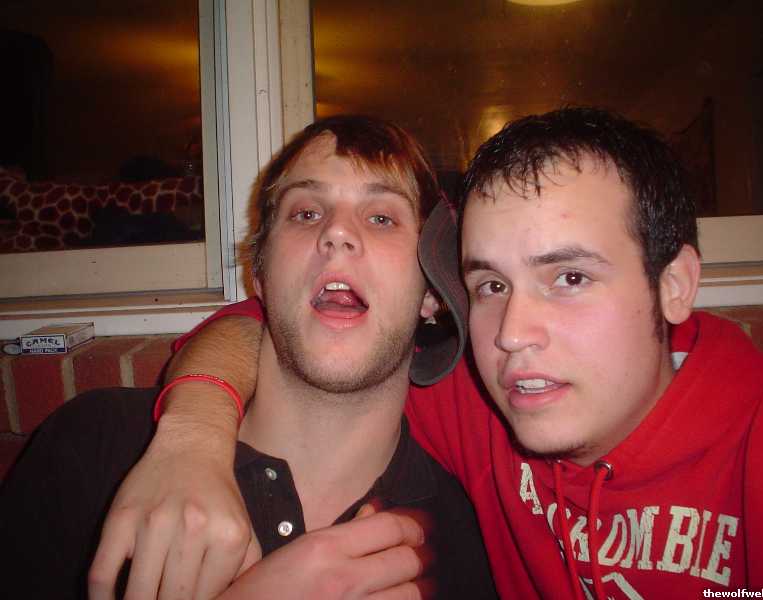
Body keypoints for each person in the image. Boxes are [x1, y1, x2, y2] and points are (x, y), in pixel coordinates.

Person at [90, 108, 763, 599]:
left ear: (673, 285)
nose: (513, 332)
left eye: (570, 278)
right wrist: (191, 437)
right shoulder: (486, 402)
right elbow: (282, 326)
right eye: (491, 284)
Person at [0, 115, 497, 600]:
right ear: (259, 276)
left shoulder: (456, 542)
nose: (337, 233)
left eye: (381, 218)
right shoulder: (92, 448)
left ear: (431, 292)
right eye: (306, 213)